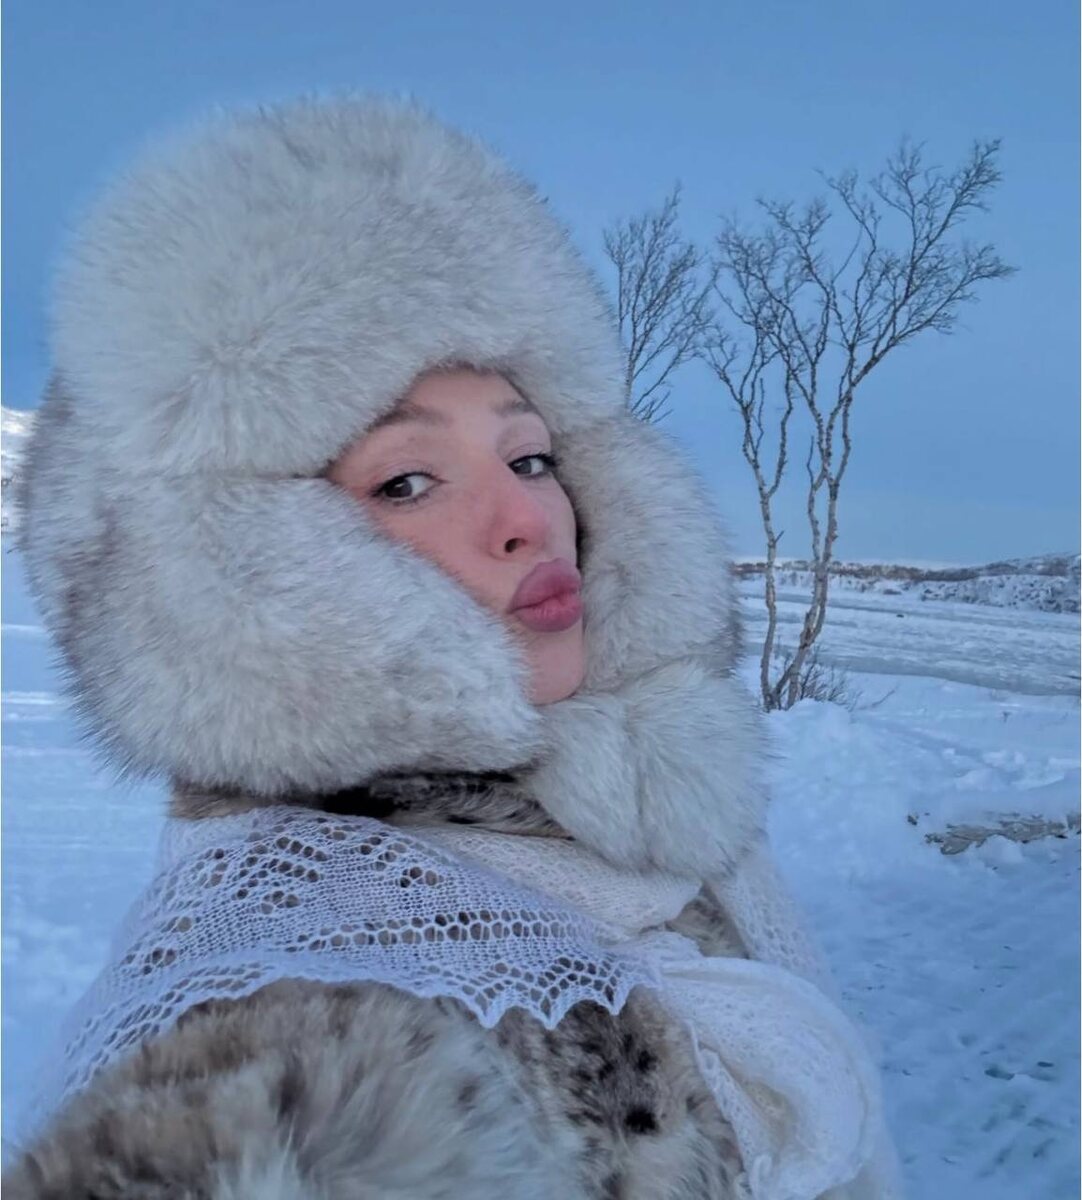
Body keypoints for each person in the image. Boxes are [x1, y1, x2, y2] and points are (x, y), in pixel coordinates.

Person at [6, 94, 903, 1199]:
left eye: (529, 457)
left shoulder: (638, 821)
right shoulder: (307, 957)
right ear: (239, 576)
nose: (530, 518)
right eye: (406, 481)